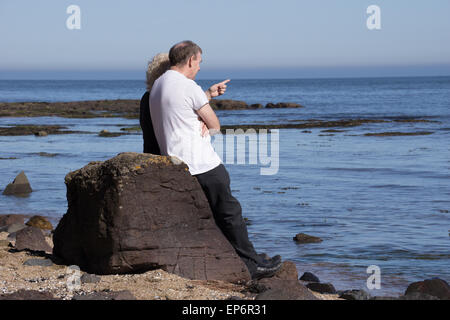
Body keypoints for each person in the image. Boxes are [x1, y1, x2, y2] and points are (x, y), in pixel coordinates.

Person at [148, 40, 282, 279]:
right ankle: (253, 265)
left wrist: (206, 97)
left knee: (216, 215)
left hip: (177, 164)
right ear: (191, 60)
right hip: (202, 163)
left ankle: (246, 258)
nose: (199, 67)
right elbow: (215, 125)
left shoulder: (159, 85)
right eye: (199, 62)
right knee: (230, 213)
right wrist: (204, 118)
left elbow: (179, 115)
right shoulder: (188, 86)